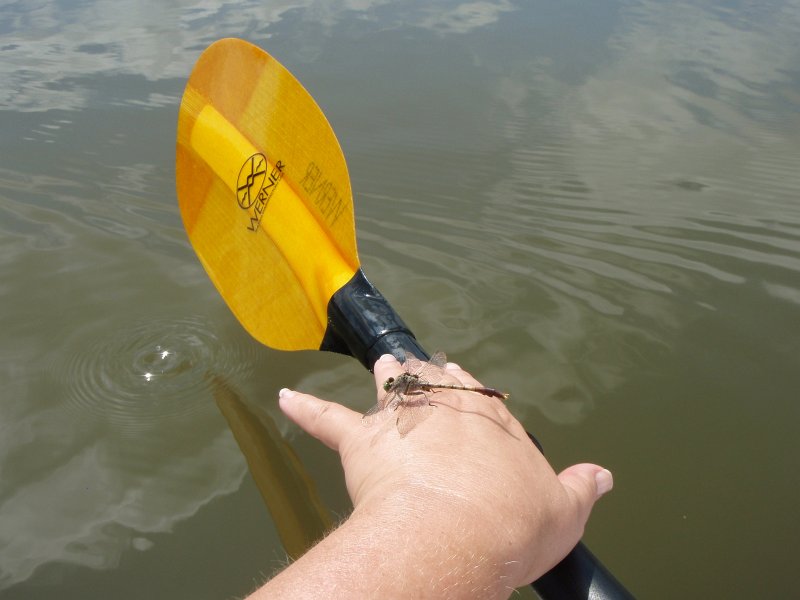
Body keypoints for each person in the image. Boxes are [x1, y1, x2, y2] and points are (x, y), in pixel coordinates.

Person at [248, 354, 613, 599]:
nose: (391, 392)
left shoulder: (404, 395)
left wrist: (440, 503)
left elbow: (405, 408)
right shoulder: (404, 387)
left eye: (394, 389)